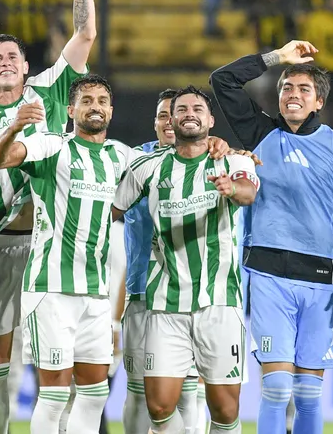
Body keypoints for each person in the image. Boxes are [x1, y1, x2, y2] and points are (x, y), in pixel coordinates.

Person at [210, 41, 333, 434]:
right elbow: (223, 80)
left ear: (318, 101)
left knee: (308, 393)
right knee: (277, 387)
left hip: (323, 278)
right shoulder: (260, 132)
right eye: (286, 88)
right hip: (268, 273)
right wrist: (277, 58)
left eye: (303, 89)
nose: (293, 95)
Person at [0, 0, 95, 434]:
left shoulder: (46, 90)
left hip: (51, 244)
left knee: (57, 362)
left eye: (12, 57)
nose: (5, 62)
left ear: (26, 66)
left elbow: (85, 33)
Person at [0, 75, 134, 433]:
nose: (94, 106)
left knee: (95, 394)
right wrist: (16, 128)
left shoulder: (122, 155)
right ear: (71, 110)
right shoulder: (52, 145)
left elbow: (165, 167)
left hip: (96, 293)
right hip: (51, 289)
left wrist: (222, 149)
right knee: (53, 395)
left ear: (110, 111)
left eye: (101, 100)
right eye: (86, 100)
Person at [112, 86, 259, 434]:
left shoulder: (232, 160)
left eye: (197, 108)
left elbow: (248, 192)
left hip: (220, 302)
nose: (189, 113)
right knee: (159, 406)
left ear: (210, 120)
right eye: (181, 109)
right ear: (170, 119)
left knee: (224, 410)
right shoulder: (147, 167)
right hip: (165, 304)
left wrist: (231, 189)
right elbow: (111, 210)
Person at [117, 88, 219, 434]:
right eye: (162, 115)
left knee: (189, 393)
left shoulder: (210, 159)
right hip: (141, 292)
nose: (168, 121)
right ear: (159, 122)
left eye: (171, 113)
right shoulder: (135, 162)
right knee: (137, 391)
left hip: (190, 295)